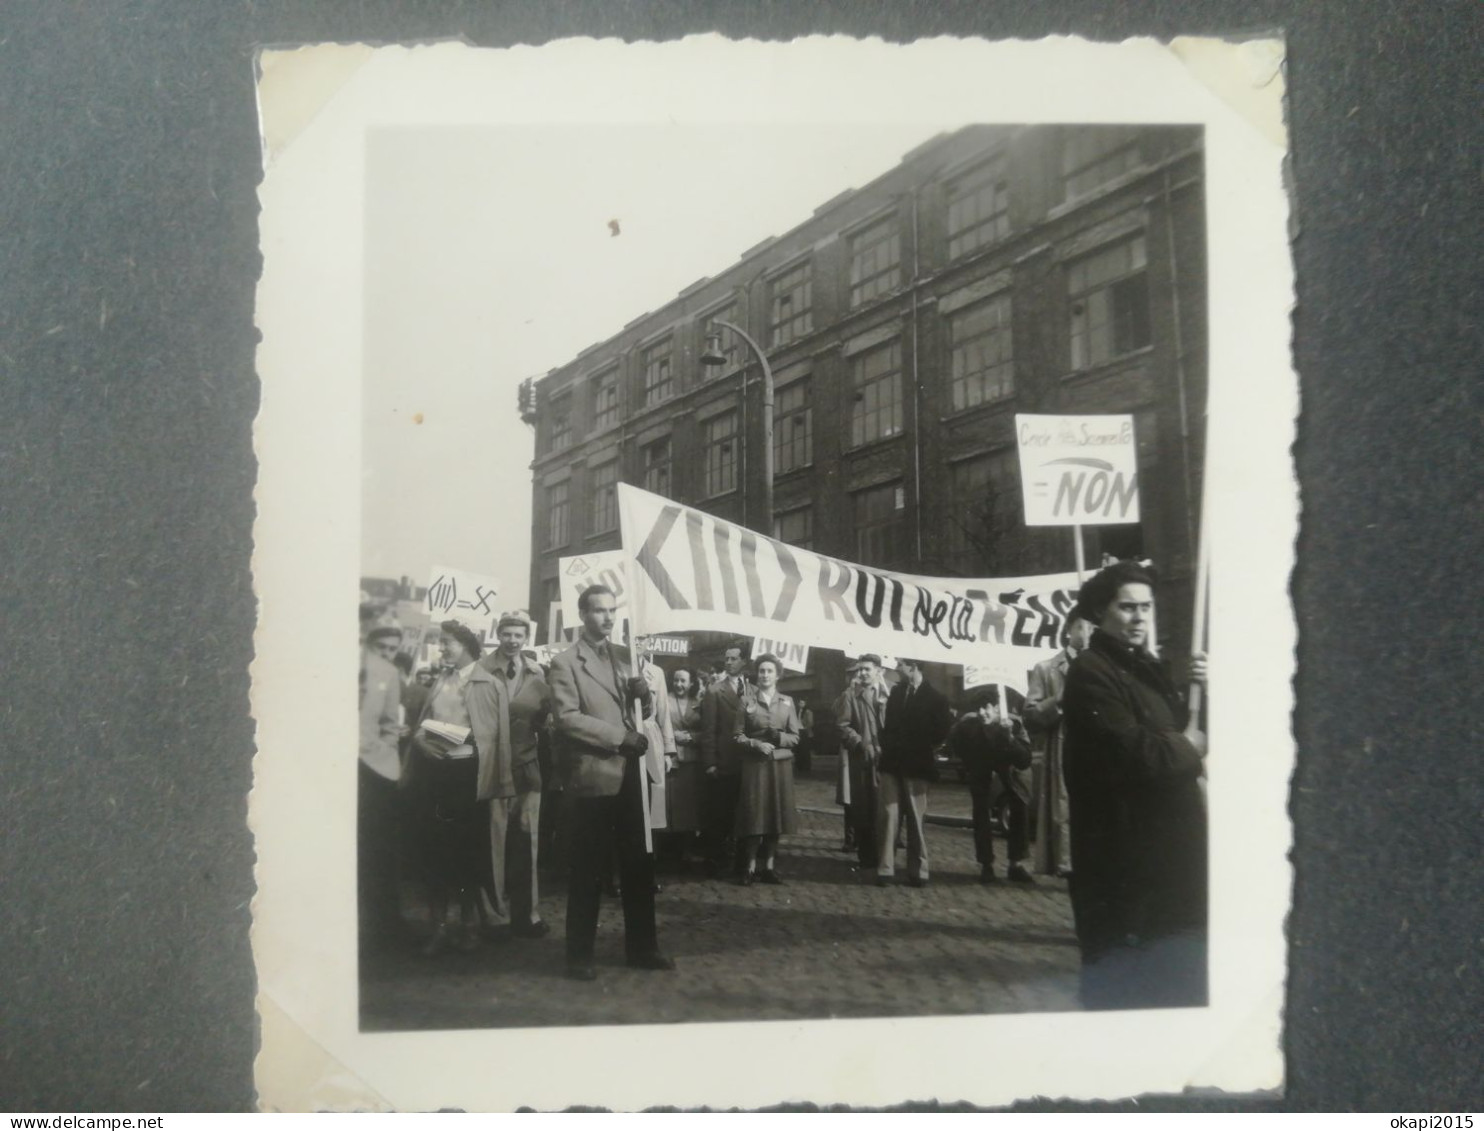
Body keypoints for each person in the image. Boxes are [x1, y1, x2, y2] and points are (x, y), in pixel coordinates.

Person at [1062, 560, 1209, 1010]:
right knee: (1125, 991)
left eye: (1145, 607)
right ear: (1101, 613)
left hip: (1167, 860)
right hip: (1123, 865)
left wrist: (1207, 689)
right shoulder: (1091, 672)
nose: (1139, 618)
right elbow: (1135, 755)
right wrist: (1191, 745)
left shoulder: (1149, 669)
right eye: (1127, 608)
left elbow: (1183, 731)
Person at [547, 585, 674, 980]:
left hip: (632, 774)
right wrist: (619, 738)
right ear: (582, 614)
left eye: (611, 610)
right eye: (598, 610)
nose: (606, 617)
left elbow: (641, 713)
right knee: (588, 868)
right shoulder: (566, 663)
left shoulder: (627, 658)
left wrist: (645, 696)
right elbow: (567, 718)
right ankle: (578, 955)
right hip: (594, 776)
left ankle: (643, 947)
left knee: (639, 864)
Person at [406, 620, 511, 957]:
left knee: (468, 856)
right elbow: (422, 725)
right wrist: (421, 740)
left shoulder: (489, 684)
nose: (442, 648)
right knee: (436, 854)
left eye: (447, 642)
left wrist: (494, 775)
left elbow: (496, 738)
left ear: (465, 644)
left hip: (469, 777)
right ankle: (438, 929)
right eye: (441, 642)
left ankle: (467, 927)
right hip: (437, 776)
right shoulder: (441, 681)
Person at [477, 611, 550, 939]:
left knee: (527, 840)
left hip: (526, 766)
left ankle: (527, 914)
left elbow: (546, 717)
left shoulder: (537, 673)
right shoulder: (480, 670)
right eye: (506, 634)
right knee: (494, 841)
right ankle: (495, 915)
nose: (512, 640)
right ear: (499, 634)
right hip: (492, 767)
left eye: (518, 635)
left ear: (526, 638)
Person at [1024, 614, 1095, 877]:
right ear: (1068, 632)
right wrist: (1059, 701)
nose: (1087, 631)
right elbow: (1030, 714)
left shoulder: (1100, 668)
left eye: (1091, 626)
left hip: (1096, 748)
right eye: (1082, 626)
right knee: (1063, 807)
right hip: (1064, 748)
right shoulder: (1046, 668)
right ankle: (1066, 863)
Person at [876, 659, 952, 887]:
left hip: (917, 766)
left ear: (914, 666)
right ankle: (885, 869)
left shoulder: (937, 698)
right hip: (892, 764)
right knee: (889, 815)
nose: (897, 668)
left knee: (916, 821)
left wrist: (919, 743)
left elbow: (941, 733)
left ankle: (919, 870)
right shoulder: (896, 694)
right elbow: (887, 727)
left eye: (900, 663)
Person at [947, 686, 1034, 883]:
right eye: (978, 709)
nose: (982, 713)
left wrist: (1009, 737)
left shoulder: (1016, 724)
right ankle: (986, 864)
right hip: (980, 765)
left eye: (986, 708)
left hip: (1010, 768)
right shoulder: (967, 725)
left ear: (997, 708)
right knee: (981, 812)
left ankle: (1016, 864)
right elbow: (954, 741)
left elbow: (1025, 760)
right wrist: (968, 762)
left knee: (1019, 805)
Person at [731, 654, 800, 885]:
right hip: (755, 766)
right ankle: (749, 867)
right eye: (761, 671)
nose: (765, 675)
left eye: (770, 671)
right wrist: (755, 744)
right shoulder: (746, 702)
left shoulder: (787, 702)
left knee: (775, 815)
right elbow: (737, 735)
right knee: (754, 815)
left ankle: (769, 867)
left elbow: (796, 738)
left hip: (780, 766)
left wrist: (779, 737)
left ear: (778, 675)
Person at [358, 619, 405, 953]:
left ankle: (384, 928)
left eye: (393, 650)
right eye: (381, 648)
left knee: (378, 849)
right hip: (333, 769)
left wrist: (384, 753)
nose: (387, 655)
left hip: (372, 769)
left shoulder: (388, 675)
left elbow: (391, 723)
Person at [699, 642, 752, 877]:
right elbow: (709, 730)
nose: (728, 662)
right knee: (719, 814)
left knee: (743, 813)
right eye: (726, 658)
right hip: (724, 760)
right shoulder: (714, 691)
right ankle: (715, 861)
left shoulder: (753, 689)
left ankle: (740, 860)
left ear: (744, 662)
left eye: (733, 658)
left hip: (748, 762)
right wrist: (710, 761)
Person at [834, 655, 887, 867]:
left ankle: (885, 855)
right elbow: (842, 725)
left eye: (867, 669)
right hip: (862, 760)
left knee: (885, 809)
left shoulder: (888, 694)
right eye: (860, 669)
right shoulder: (850, 695)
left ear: (878, 671)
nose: (862, 673)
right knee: (864, 809)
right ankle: (867, 856)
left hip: (886, 761)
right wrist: (859, 743)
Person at [662, 667, 706, 868]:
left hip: (691, 760)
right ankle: (666, 850)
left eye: (683, 681)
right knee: (668, 804)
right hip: (670, 758)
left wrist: (692, 737)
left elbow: (707, 730)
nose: (679, 685)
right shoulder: (664, 700)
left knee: (688, 806)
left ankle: (685, 849)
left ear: (690, 684)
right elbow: (657, 723)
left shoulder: (699, 704)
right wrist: (672, 737)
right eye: (676, 680)